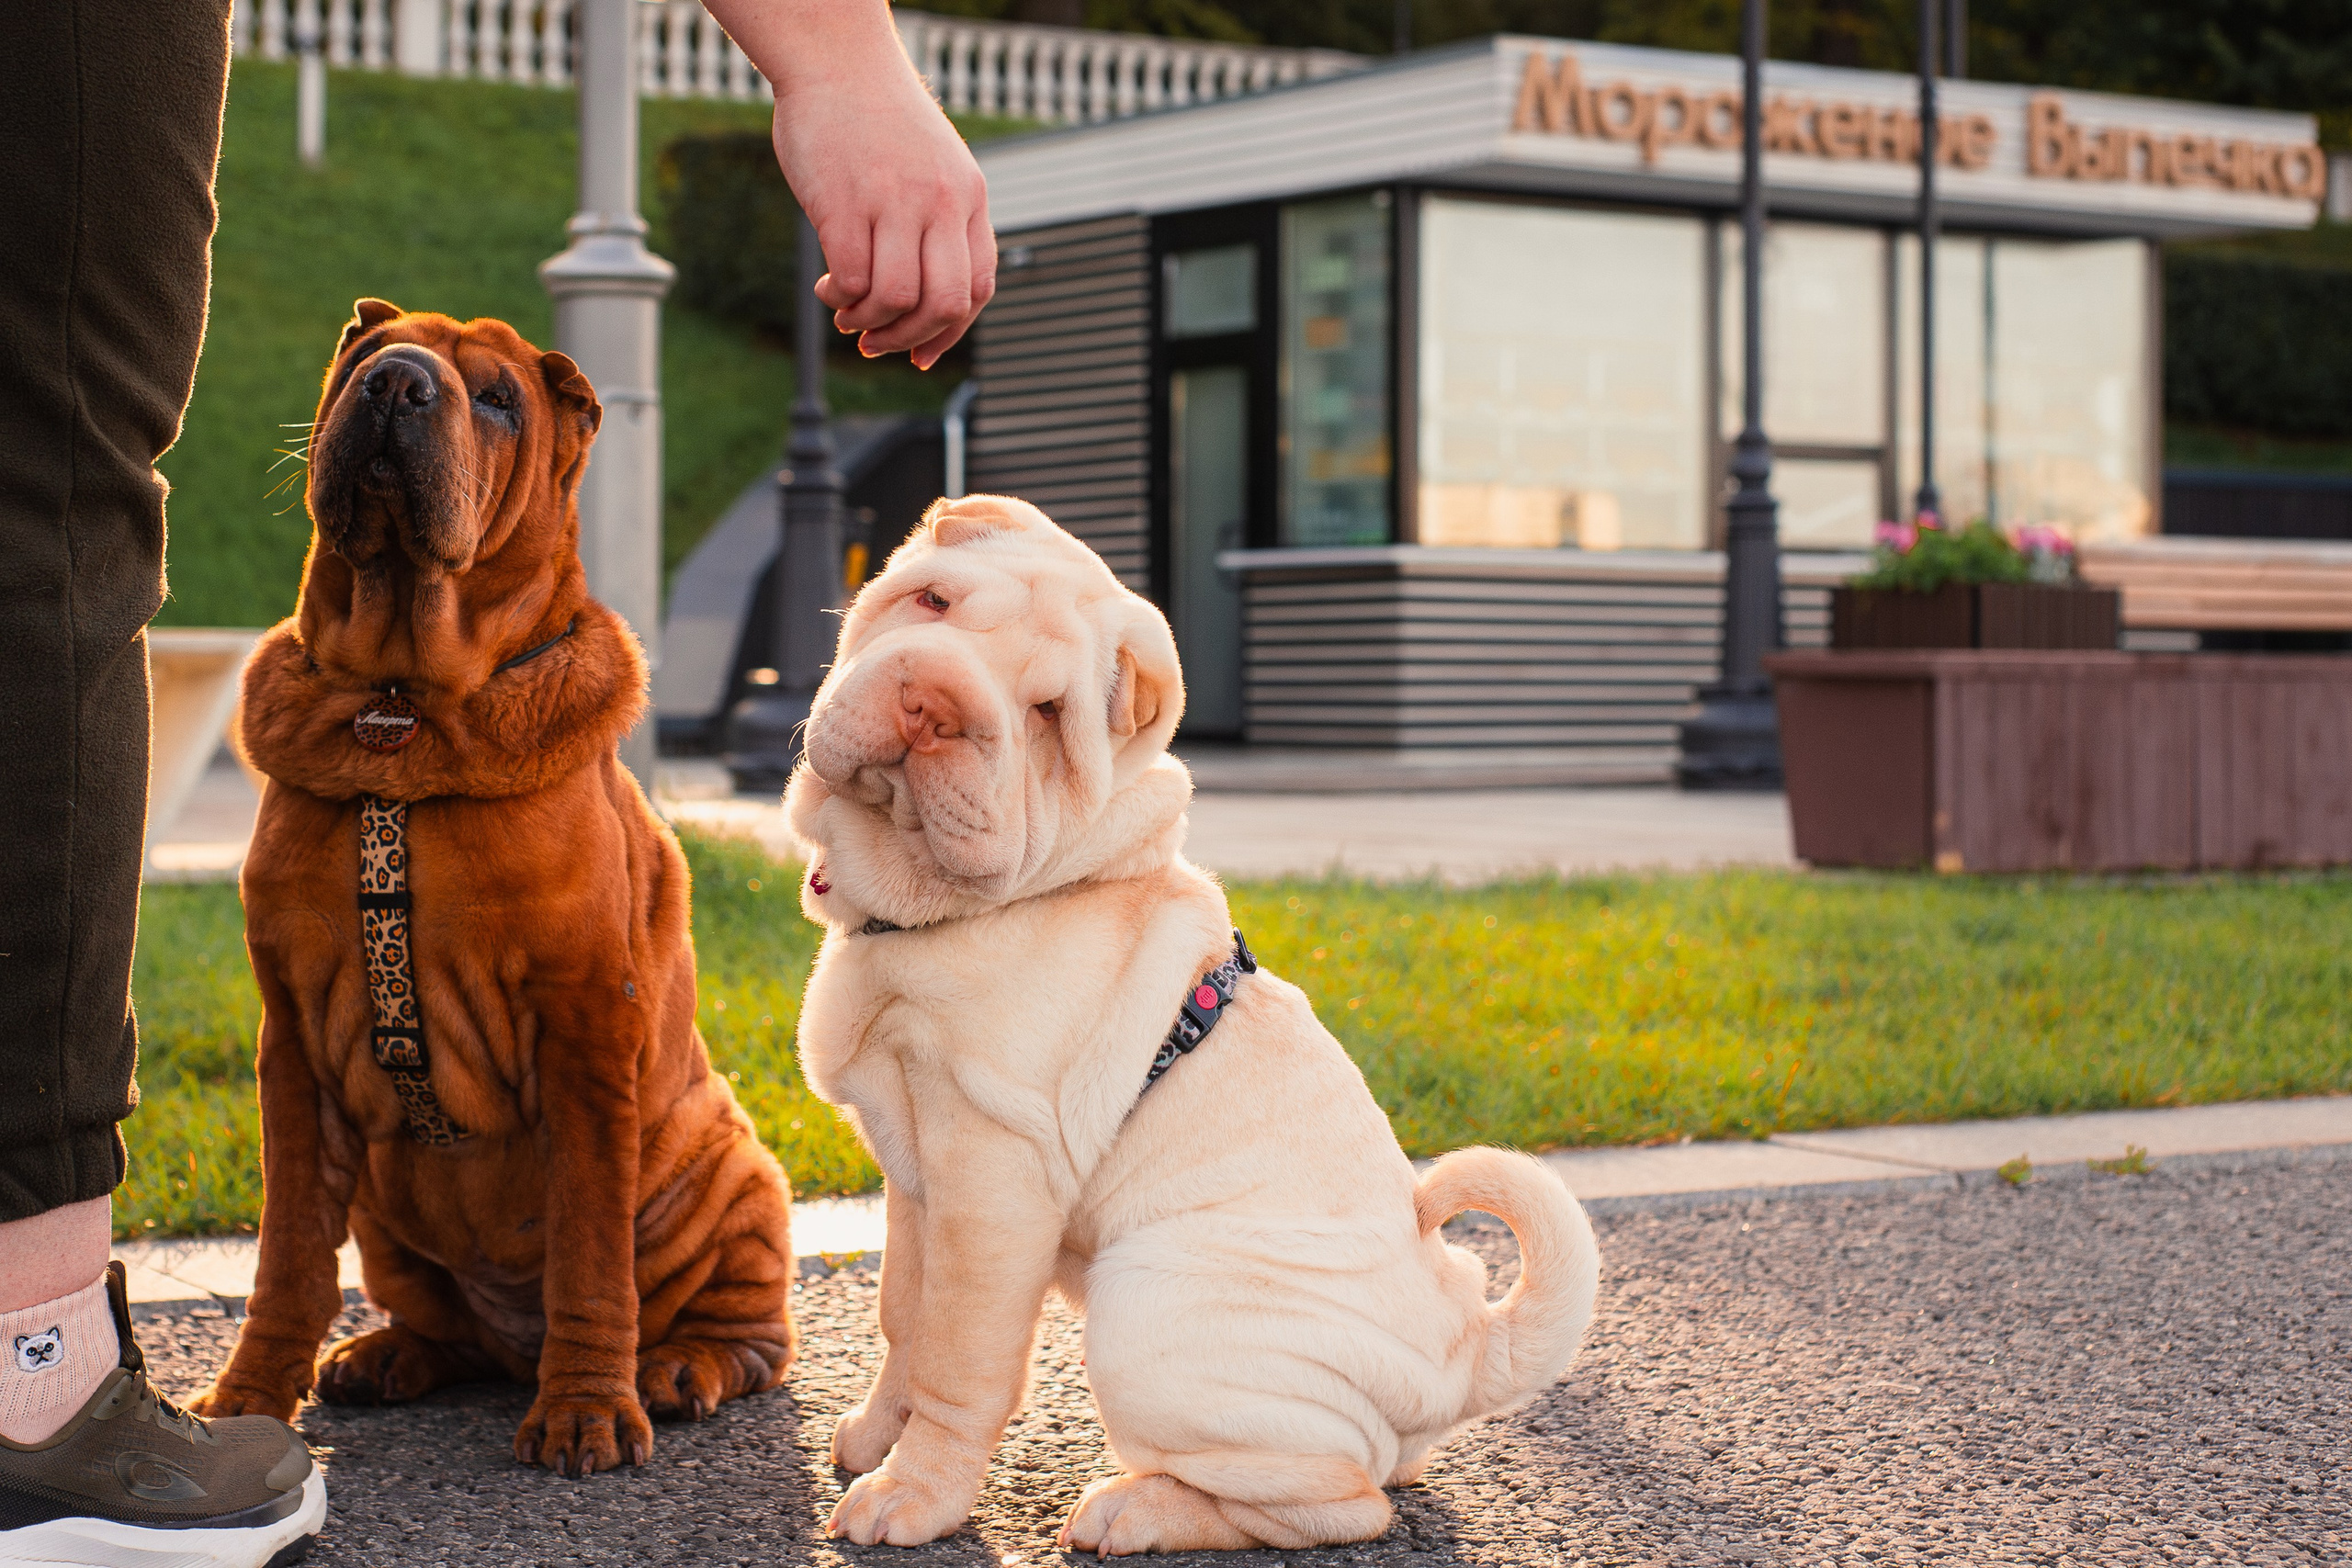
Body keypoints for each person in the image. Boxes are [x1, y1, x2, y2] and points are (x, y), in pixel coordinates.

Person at [0, 3, 992, 1562]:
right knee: (306, 1059)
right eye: (376, 370)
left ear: (565, 454)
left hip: (650, 1254)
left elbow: (600, 1077)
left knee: (671, 1139)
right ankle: (398, 1334)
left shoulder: (563, 776)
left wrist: (595, 1361)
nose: (408, 389)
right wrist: (268, 1364)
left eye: (491, 400)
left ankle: (687, 1334)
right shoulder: (313, 750)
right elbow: (302, 1076)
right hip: (440, 1252)